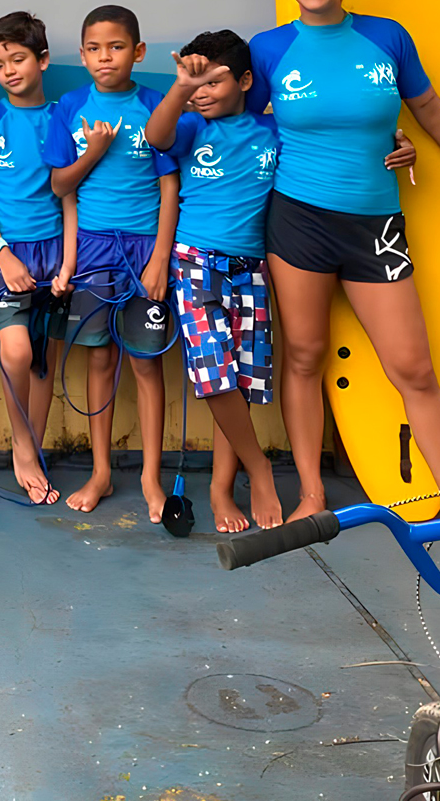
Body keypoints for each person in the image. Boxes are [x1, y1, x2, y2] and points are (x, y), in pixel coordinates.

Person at [249, 0, 440, 557]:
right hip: (297, 221)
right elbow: (237, 127)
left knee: (413, 367)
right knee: (303, 356)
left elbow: (431, 109)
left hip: (376, 225)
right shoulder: (269, 49)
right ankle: (311, 493)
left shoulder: (387, 38)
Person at [143, 31, 285, 534]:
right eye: (194, 82)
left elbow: (325, 142)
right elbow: (155, 136)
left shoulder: (273, 132)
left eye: (213, 81)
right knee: (213, 375)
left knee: (241, 381)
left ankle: (222, 488)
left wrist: (398, 143)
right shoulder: (187, 128)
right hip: (195, 263)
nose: (202, 91)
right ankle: (260, 470)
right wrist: (181, 87)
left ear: (246, 81)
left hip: (251, 269)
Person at [45, 5, 176, 520]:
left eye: (117, 46)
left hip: (145, 248)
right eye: (95, 48)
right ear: (81, 55)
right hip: (94, 249)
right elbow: (60, 186)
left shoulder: (156, 106)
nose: (106, 57)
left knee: (146, 363)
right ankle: (100, 471)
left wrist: (160, 258)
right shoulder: (71, 107)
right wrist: (95, 150)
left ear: (138, 52)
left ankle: (150, 478)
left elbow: (170, 187)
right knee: (98, 357)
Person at [0, 12, 75, 506]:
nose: (8, 70)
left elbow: (70, 197)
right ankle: (22, 448)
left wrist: (69, 262)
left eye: (18, 59)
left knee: (42, 361)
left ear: (42, 60)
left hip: (55, 253)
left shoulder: (62, 117)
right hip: (4, 254)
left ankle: (35, 445)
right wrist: (1, 253)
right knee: (16, 352)